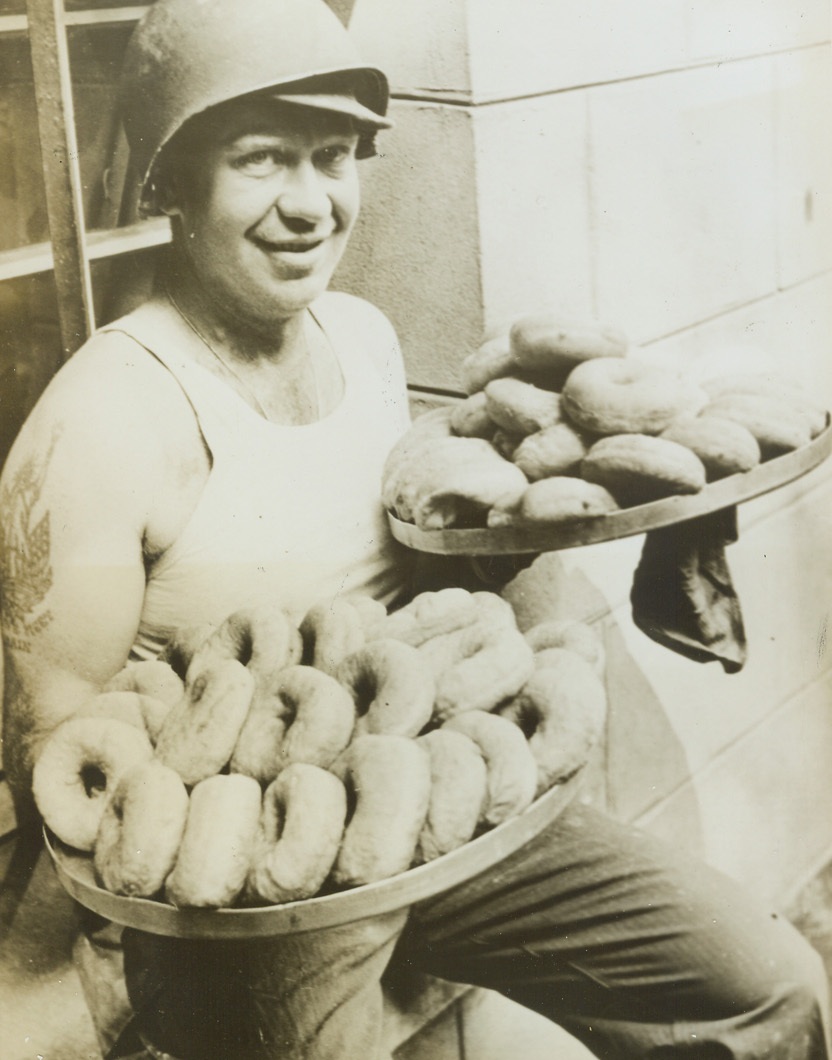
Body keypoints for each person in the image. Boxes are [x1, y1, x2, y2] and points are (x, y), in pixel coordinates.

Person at [0, 1, 828, 1058]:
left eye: (333, 157)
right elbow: (71, 765)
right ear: (173, 185)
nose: (310, 205)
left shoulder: (363, 335)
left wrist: (648, 520)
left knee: (767, 988)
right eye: (262, 161)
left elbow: (426, 570)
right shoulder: (106, 420)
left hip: (445, 804)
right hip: (263, 889)